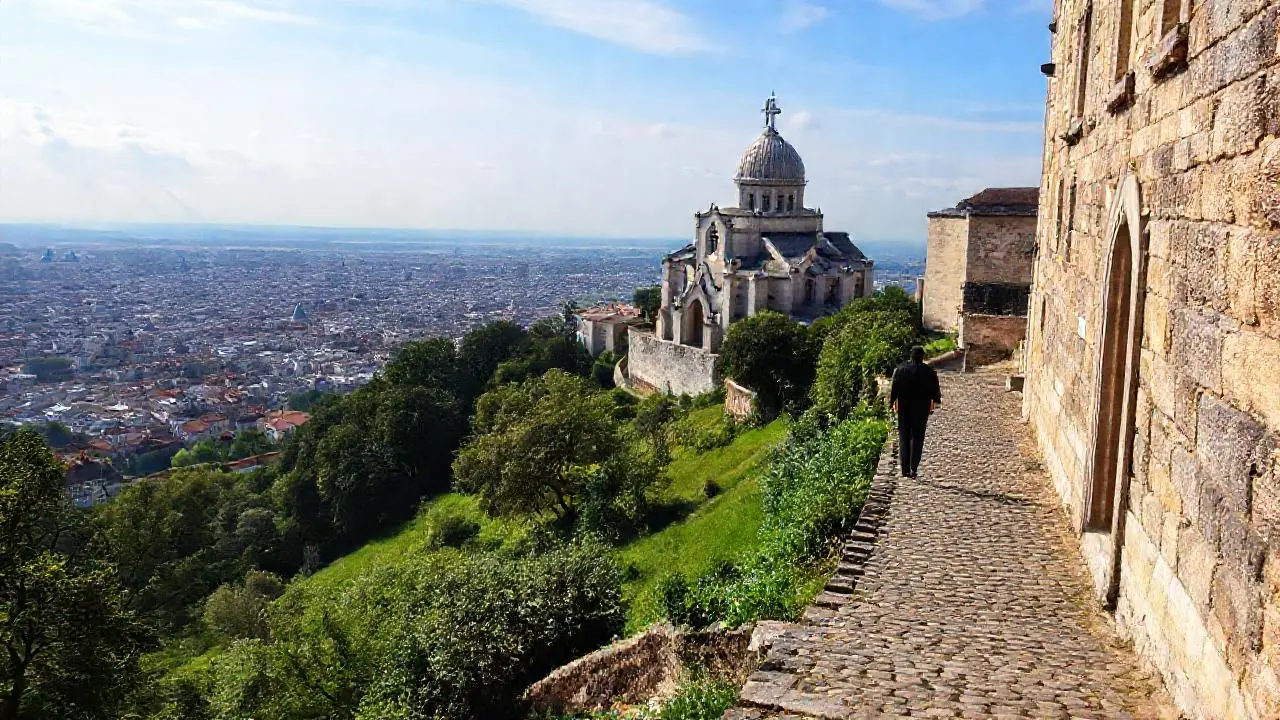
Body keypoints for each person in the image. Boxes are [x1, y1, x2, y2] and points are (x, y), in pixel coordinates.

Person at [889, 345, 942, 479]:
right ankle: (914, 467)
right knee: (917, 437)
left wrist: (892, 402)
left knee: (904, 437)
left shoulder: (901, 370)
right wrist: (934, 402)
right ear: (922, 356)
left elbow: (894, 389)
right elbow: (935, 393)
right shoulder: (929, 372)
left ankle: (904, 469)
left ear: (910, 356)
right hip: (921, 407)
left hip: (904, 407)